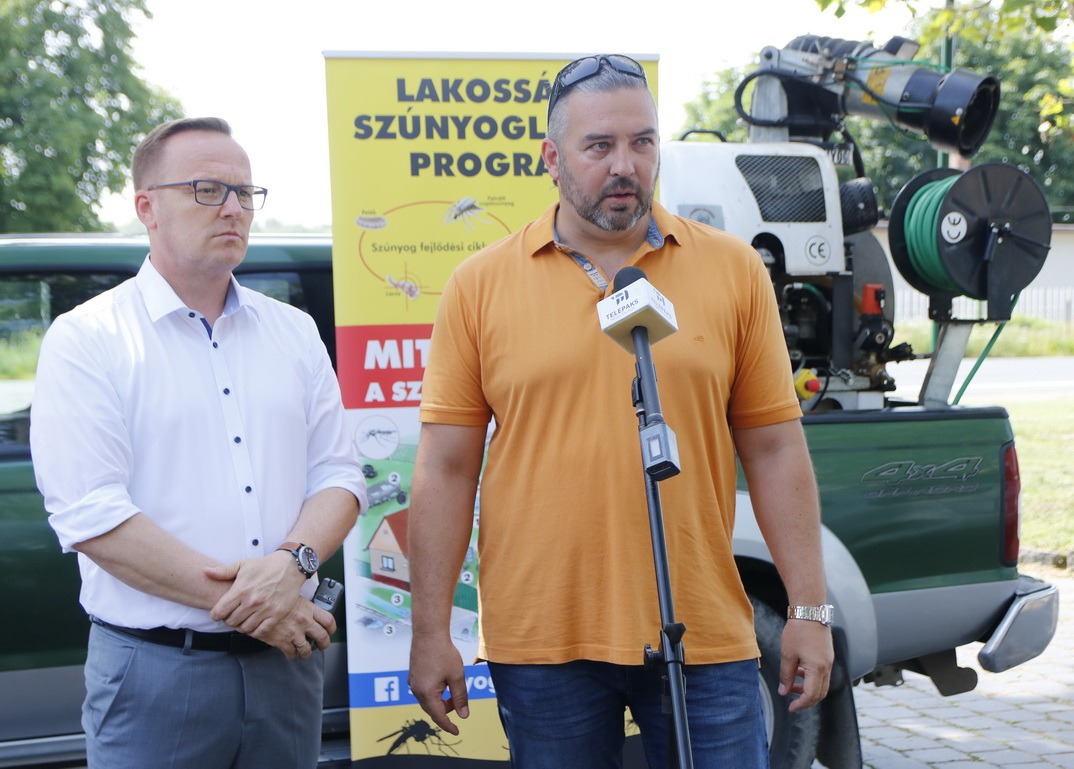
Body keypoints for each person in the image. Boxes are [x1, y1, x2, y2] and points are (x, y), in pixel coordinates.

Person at [406, 55, 833, 768]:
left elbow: (776, 449)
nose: (625, 165)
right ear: (552, 159)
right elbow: (446, 469)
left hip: (702, 634)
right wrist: (429, 632)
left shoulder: (732, 270)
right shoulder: (479, 284)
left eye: (642, 142)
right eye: (599, 146)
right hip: (542, 643)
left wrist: (809, 610)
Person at [30, 116, 366, 769]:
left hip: (285, 667)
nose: (234, 207)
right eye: (207, 190)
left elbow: (339, 474)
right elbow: (91, 513)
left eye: (245, 192)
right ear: (146, 207)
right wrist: (260, 604)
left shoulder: (294, 332)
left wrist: (293, 563)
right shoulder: (87, 339)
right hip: (157, 673)